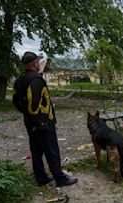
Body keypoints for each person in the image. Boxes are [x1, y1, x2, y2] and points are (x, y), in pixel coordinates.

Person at [13, 51, 78, 187]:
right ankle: (60, 179)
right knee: (52, 150)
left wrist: (26, 114)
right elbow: (33, 103)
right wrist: (40, 119)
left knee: (36, 150)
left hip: (30, 121)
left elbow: (15, 100)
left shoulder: (20, 79)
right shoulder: (36, 80)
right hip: (42, 122)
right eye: (38, 62)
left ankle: (41, 178)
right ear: (35, 63)